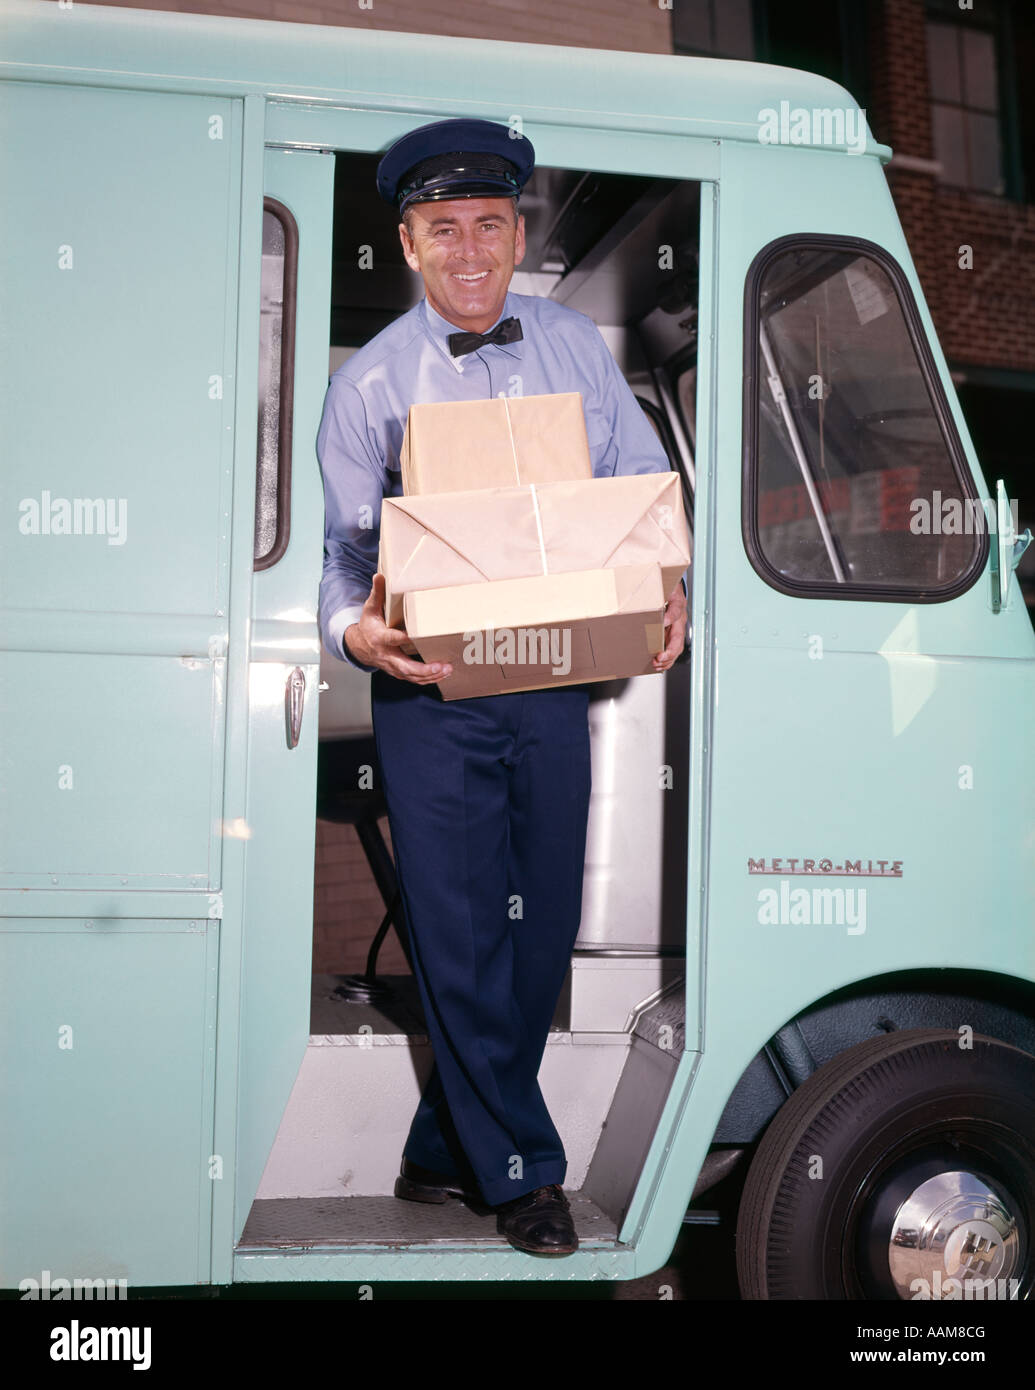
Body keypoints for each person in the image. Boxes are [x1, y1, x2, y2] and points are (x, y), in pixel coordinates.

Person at [317, 118, 688, 1255]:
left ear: (515, 231)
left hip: (550, 678)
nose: (471, 250)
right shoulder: (371, 383)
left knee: (540, 929)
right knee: (461, 926)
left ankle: (445, 1143)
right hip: (428, 693)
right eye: (444, 230)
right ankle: (521, 1170)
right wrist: (357, 632)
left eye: (490, 224)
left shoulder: (578, 348)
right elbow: (337, 558)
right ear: (410, 244)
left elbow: (638, 490)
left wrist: (666, 588)